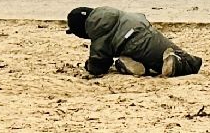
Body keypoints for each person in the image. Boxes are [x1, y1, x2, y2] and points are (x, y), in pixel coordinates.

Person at [66, 6, 202, 79]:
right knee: (167, 51)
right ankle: (189, 60)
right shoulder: (108, 12)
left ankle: (172, 65)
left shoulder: (97, 32)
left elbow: (98, 64)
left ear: (81, 29)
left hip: (132, 43)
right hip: (144, 28)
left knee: (155, 60)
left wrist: (89, 66)